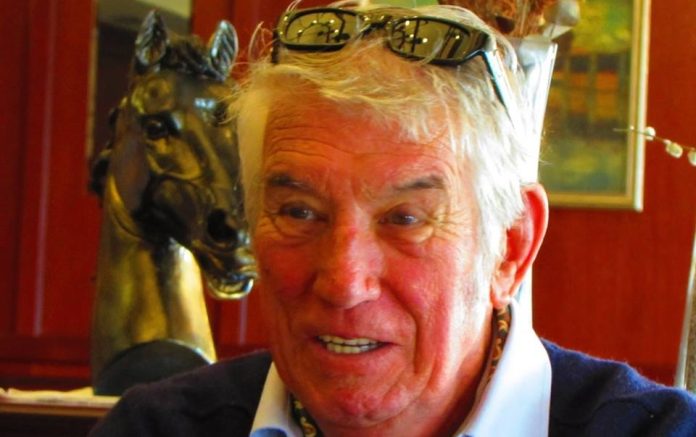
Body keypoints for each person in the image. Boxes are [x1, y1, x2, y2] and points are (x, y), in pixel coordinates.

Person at [89, 3, 696, 436]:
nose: (343, 281)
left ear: (510, 247)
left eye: (405, 218)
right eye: (299, 212)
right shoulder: (154, 428)